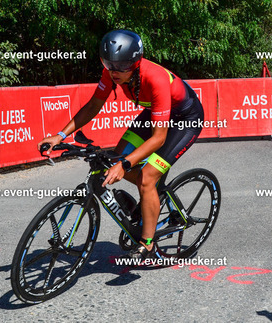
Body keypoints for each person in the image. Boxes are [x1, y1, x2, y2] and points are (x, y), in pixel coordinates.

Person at [38, 29, 204, 261]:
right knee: (115, 158)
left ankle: (147, 243)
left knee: (145, 176)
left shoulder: (154, 78)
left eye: (122, 66)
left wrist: (126, 165)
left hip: (185, 119)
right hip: (155, 113)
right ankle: (150, 199)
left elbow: (158, 138)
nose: (115, 71)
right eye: (109, 64)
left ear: (135, 63)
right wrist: (60, 135)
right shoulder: (111, 73)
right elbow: (93, 105)